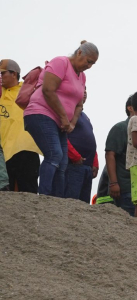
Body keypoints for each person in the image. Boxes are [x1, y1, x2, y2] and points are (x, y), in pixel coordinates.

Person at [23, 41, 98, 197]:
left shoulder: (82, 77)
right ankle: (44, 196)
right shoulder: (60, 62)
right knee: (54, 154)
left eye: (93, 63)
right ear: (79, 53)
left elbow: (79, 104)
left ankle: (56, 200)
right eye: (88, 61)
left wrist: (72, 123)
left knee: (63, 162)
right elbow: (48, 90)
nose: (89, 66)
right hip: (40, 114)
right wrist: (64, 117)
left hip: (60, 123)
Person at [0, 59, 41, 193]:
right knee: (6, 193)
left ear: (14, 74)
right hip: (4, 151)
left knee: (29, 191)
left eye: (2, 73)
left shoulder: (27, 89)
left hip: (27, 147)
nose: (0, 77)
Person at [65, 88, 99, 203]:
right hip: (72, 166)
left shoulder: (85, 117)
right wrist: (74, 156)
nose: (84, 92)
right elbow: (62, 136)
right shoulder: (66, 112)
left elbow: (90, 140)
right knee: (71, 202)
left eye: (85, 90)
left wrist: (95, 162)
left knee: (84, 205)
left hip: (86, 168)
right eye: (80, 89)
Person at [105, 95, 134, 216]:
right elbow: (110, 154)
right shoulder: (121, 128)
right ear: (130, 108)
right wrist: (114, 183)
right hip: (125, 188)